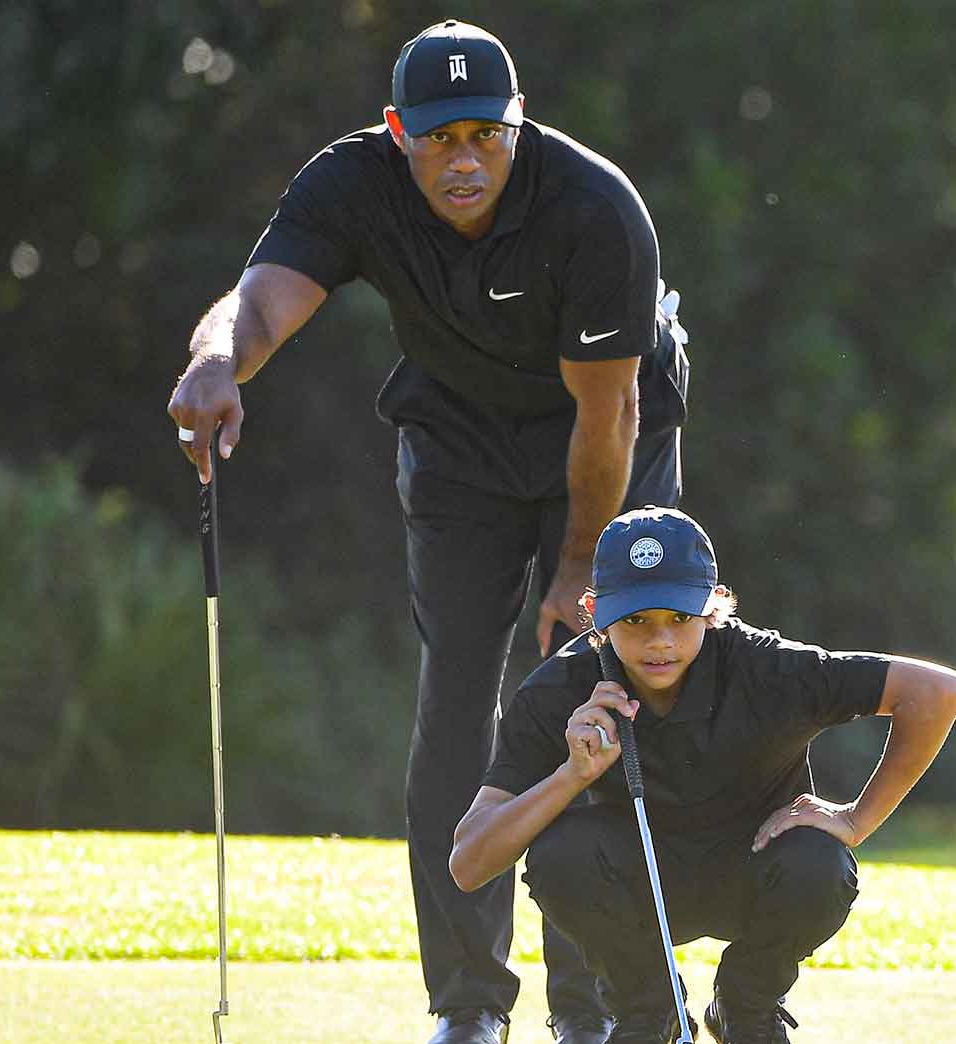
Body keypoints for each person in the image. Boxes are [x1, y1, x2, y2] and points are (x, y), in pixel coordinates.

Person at [165, 20, 692, 1044]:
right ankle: (467, 1003)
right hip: (457, 439)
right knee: (457, 696)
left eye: (483, 137)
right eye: (438, 139)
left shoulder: (592, 209)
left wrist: (581, 566)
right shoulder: (348, 183)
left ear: (516, 124)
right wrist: (217, 361)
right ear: (396, 132)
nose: (463, 161)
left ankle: (593, 1007)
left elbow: (608, 415)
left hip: (607, 436)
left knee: (602, 682)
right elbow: (260, 305)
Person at [449, 507, 956, 1044]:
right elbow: (469, 863)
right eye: (635, 620)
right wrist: (570, 775)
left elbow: (938, 692)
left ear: (716, 608)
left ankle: (746, 1008)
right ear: (594, 612)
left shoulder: (769, 669)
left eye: (680, 618)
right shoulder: (559, 688)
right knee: (560, 854)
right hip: (635, 893)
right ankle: (652, 1013)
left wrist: (855, 820)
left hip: (753, 876)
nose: (660, 642)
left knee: (822, 862)